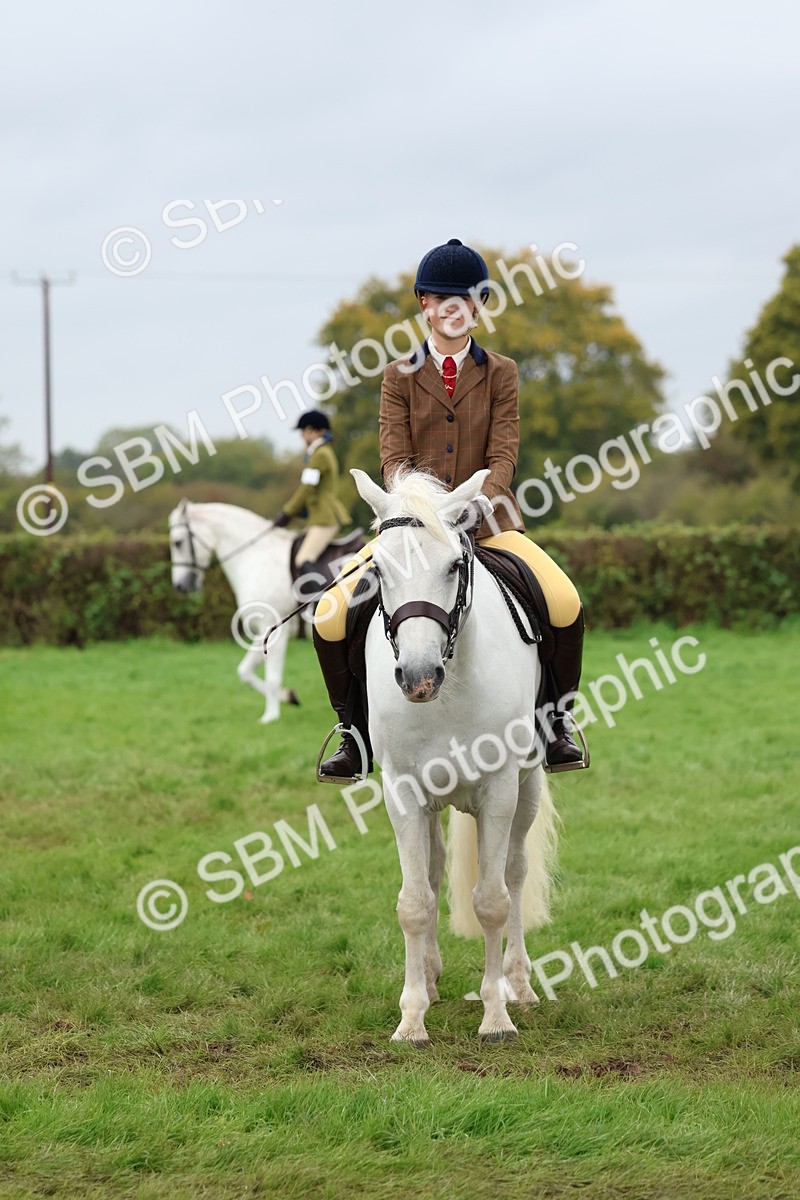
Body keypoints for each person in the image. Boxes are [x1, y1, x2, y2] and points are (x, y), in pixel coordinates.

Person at [312, 238, 588, 781]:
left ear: (478, 307)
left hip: (488, 523)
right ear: (425, 304)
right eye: (442, 299)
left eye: (465, 299)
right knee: (330, 614)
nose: (453, 309)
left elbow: (504, 451)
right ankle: (353, 734)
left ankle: (555, 725)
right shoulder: (397, 375)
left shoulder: (502, 372)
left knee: (564, 601)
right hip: (414, 529)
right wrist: (426, 512)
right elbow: (393, 458)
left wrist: (478, 502)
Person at [273, 411, 351, 578]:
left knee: (303, 559)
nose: (301, 435)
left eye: (303, 430)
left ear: (314, 431)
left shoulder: (320, 455)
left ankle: (322, 596)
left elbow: (307, 489)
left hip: (325, 518)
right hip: (318, 517)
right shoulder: (319, 453)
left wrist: (287, 512)